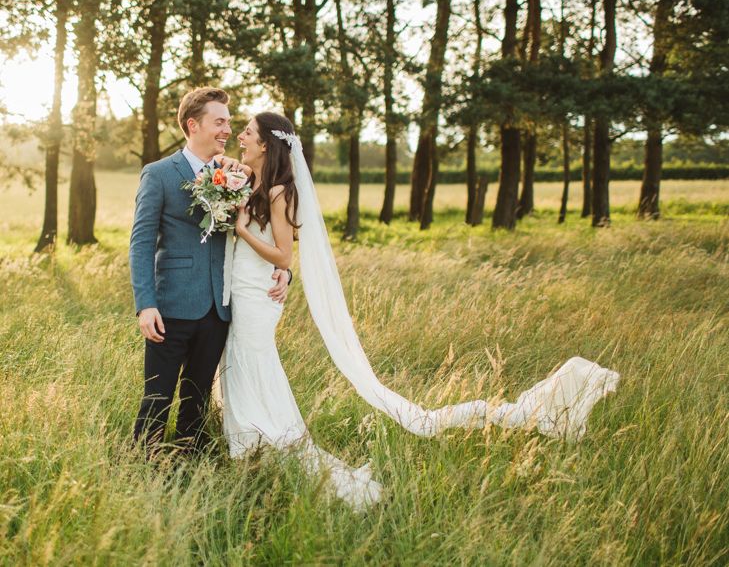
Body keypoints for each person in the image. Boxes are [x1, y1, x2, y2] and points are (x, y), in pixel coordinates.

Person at [219, 111, 621, 510]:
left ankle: (264, 441)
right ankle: (252, 442)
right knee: (242, 364)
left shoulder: (280, 191)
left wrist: (241, 232)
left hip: (257, 300)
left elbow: (285, 257)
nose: (240, 135)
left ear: (268, 144)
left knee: (255, 364)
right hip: (242, 291)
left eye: (249, 132)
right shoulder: (249, 180)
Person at [129, 88, 291, 457]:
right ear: (193, 124)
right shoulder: (158, 174)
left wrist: (285, 273)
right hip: (170, 305)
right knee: (157, 395)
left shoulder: (237, 175)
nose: (227, 131)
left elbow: (271, 234)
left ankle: (189, 462)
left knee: (198, 399)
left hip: (220, 308)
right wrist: (145, 304)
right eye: (219, 122)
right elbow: (140, 244)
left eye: (230, 123)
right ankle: (141, 464)